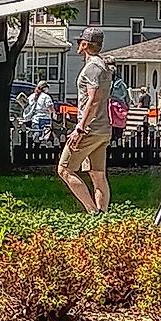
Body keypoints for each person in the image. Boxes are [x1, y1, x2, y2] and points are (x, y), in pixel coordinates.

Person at [58, 27, 114, 214]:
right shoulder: (104, 66)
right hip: (104, 128)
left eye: (79, 42)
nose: (78, 45)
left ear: (84, 45)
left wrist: (80, 128)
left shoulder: (92, 68)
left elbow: (94, 99)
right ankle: (103, 216)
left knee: (64, 170)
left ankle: (93, 212)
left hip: (89, 129)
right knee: (98, 175)